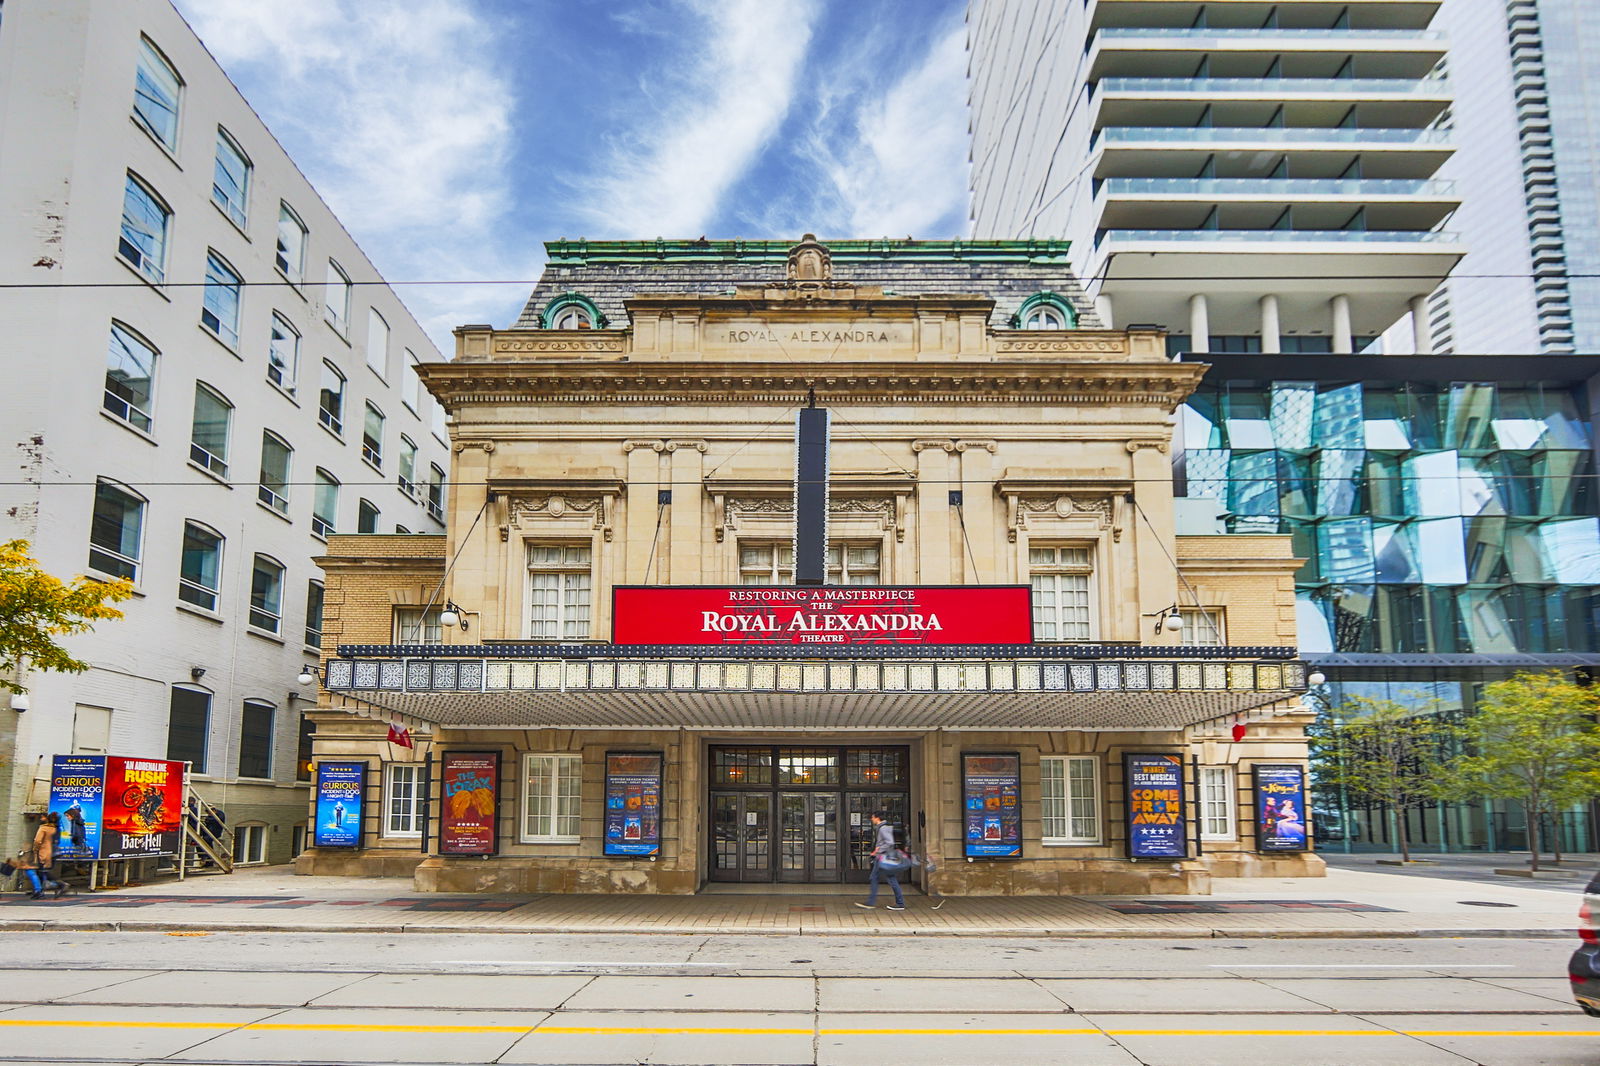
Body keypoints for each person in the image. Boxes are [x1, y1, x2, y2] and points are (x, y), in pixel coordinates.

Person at [854, 812, 906, 911]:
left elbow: (889, 843)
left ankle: (899, 903)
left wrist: (877, 850)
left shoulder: (883, 828)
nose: (872, 819)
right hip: (882, 857)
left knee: (887, 879)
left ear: (877, 818)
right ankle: (872, 902)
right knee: (876, 877)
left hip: (883, 857)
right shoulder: (881, 828)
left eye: (873, 817)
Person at [22, 813, 68, 899]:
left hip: (43, 853)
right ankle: (39, 890)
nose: (41, 818)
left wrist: (34, 851)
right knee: (42, 872)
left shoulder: (44, 828)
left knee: (35, 870)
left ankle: (54, 886)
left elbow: (37, 841)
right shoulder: (56, 828)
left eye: (43, 817)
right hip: (53, 853)